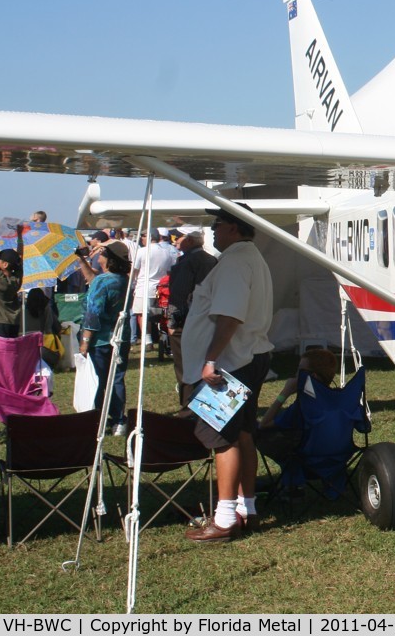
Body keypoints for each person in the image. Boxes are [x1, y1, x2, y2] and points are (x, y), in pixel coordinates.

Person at [182, 204, 273, 543]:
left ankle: (223, 518)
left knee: (223, 438)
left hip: (231, 364)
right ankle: (245, 508)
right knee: (244, 434)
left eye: (217, 224)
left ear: (234, 228)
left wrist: (210, 359)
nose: (214, 230)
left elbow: (230, 316)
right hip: (247, 358)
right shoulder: (249, 258)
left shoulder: (236, 261)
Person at [78, 241, 132, 435]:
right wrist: (82, 259)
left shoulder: (103, 282)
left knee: (99, 380)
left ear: (109, 260)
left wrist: (85, 341)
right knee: (117, 378)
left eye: (101, 254)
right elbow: (95, 280)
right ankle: (119, 421)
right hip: (121, 337)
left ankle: (99, 419)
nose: (98, 256)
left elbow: (93, 314)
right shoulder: (123, 279)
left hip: (100, 340)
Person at [166, 226, 218, 407]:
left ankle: (188, 406)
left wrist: (173, 322)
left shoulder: (186, 262)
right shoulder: (211, 260)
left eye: (178, 237)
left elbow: (179, 294)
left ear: (188, 239)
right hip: (209, 319)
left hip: (187, 321)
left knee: (185, 366)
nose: (175, 241)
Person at [0, 249, 23, 338]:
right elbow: (19, 266)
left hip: (0, 323)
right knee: (11, 350)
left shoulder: (0, 281)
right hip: (14, 323)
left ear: (5, 264)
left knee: (1, 351)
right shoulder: (16, 281)